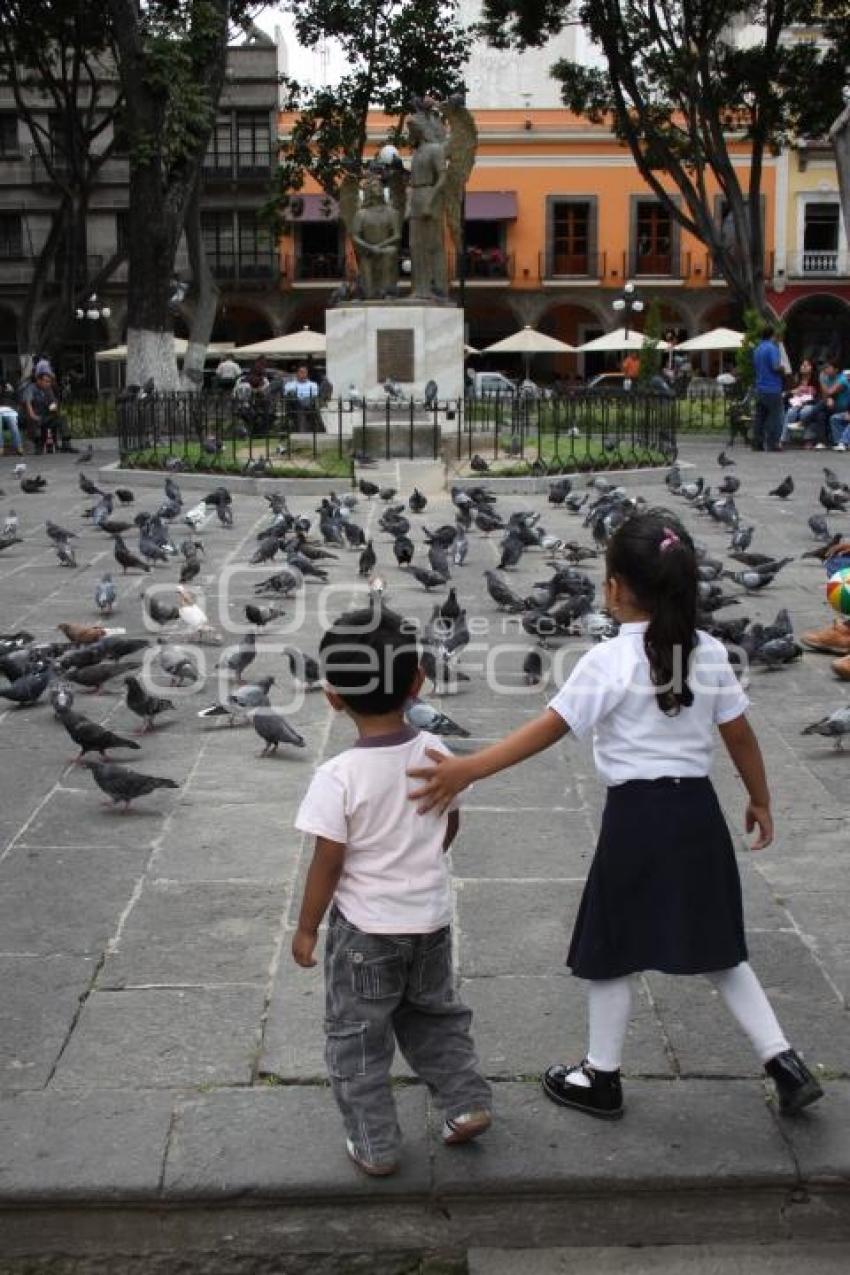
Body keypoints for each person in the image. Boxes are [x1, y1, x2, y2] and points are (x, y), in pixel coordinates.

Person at [408, 509, 823, 1124]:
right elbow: (740, 736)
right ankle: (784, 1062)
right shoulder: (708, 651)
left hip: (637, 819)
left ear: (616, 589)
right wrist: (760, 798)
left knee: (610, 947)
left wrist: (469, 768)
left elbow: (546, 731)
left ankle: (600, 1075)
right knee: (720, 950)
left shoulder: (606, 660)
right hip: (697, 814)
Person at [292, 605, 492, 1176]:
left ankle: (376, 1145)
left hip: (365, 933)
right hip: (430, 921)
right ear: (418, 683)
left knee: (357, 1034)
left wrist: (307, 928)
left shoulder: (339, 776)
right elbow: (448, 823)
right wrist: (423, 856)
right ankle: (467, 1102)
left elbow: (328, 862)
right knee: (434, 1015)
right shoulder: (437, 752)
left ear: (333, 696)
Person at [20, 371, 77, 453]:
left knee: (61, 418)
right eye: (46, 381)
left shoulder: (48, 389)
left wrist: (54, 407)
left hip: (45, 416)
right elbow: (27, 402)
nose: (48, 383)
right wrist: (32, 415)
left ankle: (66, 444)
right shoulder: (31, 388)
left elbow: (53, 403)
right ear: (39, 380)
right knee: (34, 420)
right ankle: (38, 445)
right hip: (34, 416)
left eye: (49, 381)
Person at [751, 324, 785, 451]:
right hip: (772, 388)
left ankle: (757, 443)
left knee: (760, 417)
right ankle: (773, 443)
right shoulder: (772, 348)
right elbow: (775, 367)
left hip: (760, 387)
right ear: (772, 335)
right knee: (776, 416)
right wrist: (783, 368)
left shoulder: (757, 349)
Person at [781, 358, 818, 446]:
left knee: (806, 412)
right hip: (796, 403)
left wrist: (811, 392)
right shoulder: (795, 380)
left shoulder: (816, 381)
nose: (804, 367)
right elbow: (786, 393)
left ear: (812, 368)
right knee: (791, 412)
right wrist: (794, 391)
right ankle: (784, 439)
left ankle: (808, 439)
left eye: (807, 365)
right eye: (803, 365)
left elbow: (819, 397)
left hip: (810, 404)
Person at [0, 382, 23, 454]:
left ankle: (18, 446)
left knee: (13, 425)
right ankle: (0, 447)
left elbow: (18, 400)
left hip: (10, 410)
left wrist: (16, 409)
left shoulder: (11, 389)